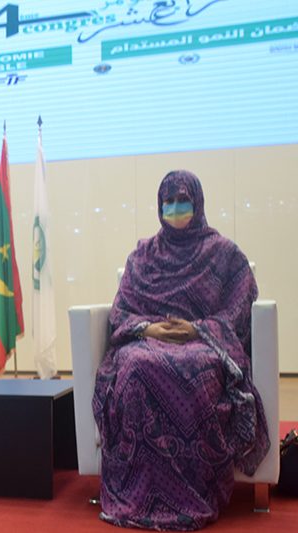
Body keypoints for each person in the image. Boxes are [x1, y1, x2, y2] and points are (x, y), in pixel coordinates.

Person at [93, 170, 270, 530]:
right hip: (148, 340)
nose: (175, 208)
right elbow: (120, 311)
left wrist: (197, 328)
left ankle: (194, 493)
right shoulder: (143, 255)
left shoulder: (222, 254)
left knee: (196, 373)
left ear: (198, 202)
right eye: (168, 202)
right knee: (134, 366)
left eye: (182, 200)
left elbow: (241, 304)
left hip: (203, 345)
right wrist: (149, 328)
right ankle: (137, 493)